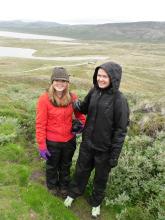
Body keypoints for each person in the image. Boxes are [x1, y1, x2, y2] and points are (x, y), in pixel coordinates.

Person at [64, 61, 129, 217]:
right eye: (99, 75)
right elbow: (84, 107)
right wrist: (73, 102)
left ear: (113, 78)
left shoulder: (119, 100)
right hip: (87, 144)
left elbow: (121, 131)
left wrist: (114, 155)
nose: (100, 79)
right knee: (80, 172)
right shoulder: (94, 91)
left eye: (104, 76)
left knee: (100, 179)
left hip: (104, 150)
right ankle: (73, 193)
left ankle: (96, 203)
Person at [36, 67, 86, 198]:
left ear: (67, 83)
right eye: (57, 80)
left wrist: (81, 125)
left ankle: (64, 186)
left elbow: (81, 116)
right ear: (52, 82)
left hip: (69, 141)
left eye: (63, 80)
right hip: (52, 142)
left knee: (66, 165)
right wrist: (42, 145)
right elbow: (40, 124)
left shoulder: (72, 97)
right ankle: (52, 186)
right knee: (52, 166)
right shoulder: (44, 99)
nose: (60, 83)